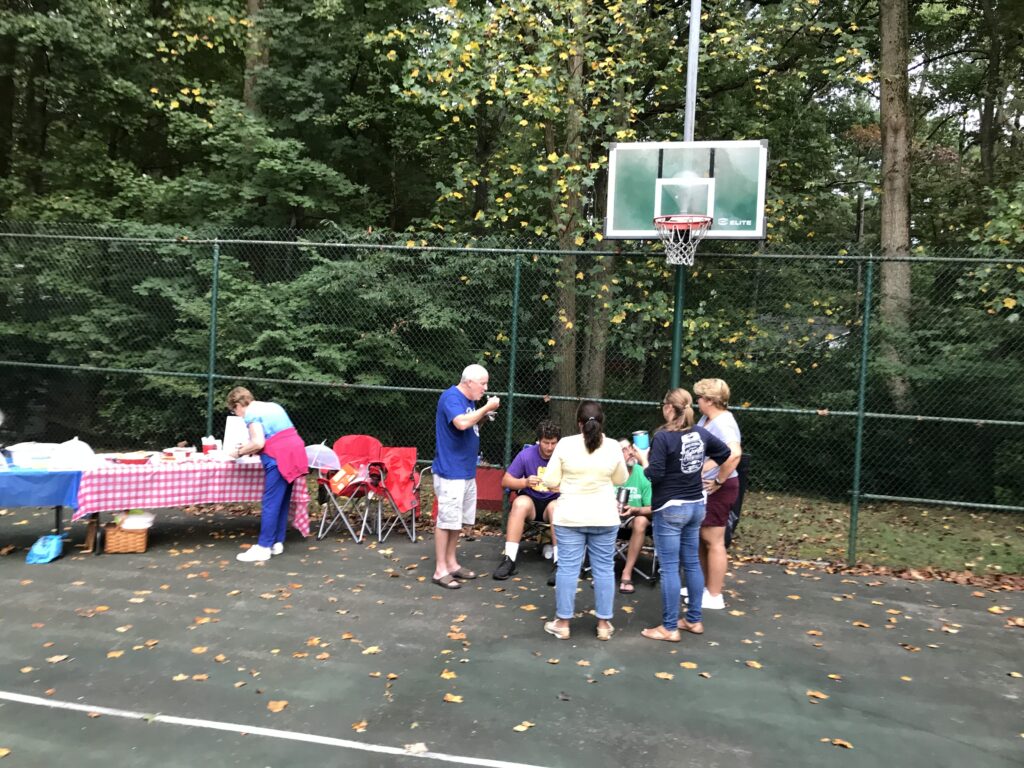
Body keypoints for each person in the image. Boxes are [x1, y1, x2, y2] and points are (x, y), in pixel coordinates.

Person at [639, 388, 736, 641]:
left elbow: (654, 474)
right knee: (691, 562)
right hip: (695, 506)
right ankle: (693, 620)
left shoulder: (662, 437)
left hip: (670, 508)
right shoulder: (700, 432)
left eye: (664, 404)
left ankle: (669, 627)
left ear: (669, 408)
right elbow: (725, 453)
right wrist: (704, 472)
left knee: (670, 568)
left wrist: (642, 460)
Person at [541, 401, 628, 641]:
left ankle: (563, 623)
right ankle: (603, 624)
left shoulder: (565, 445)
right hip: (604, 516)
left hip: (570, 516)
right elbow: (622, 478)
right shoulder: (612, 446)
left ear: (579, 423)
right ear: (601, 422)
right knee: (604, 569)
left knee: (568, 568)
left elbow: (549, 480)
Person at [432, 364, 500, 589]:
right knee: (445, 520)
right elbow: (461, 423)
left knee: (456, 521)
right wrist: (486, 407)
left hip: (466, 470)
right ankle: (440, 569)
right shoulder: (451, 397)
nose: (485, 388)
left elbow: (469, 425)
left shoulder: (469, 400)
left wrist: (483, 416)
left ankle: (451, 563)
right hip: (451, 471)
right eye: (483, 383)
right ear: (469, 382)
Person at [226, 387, 308, 563]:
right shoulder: (273, 406)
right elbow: (273, 436)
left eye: (234, 410)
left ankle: (263, 547)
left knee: (270, 502)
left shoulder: (251, 414)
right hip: (295, 452)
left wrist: (238, 451)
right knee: (282, 500)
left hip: (279, 457)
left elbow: (258, 442)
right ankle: (277, 542)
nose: (237, 415)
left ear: (239, 404)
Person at [694, 378, 743, 610]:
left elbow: (733, 454)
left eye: (700, 398)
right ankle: (705, 586)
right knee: (703, 538)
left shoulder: (724, 423)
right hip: (705, 487)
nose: (697, 402)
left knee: (714, 541)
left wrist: (718, 480)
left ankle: (714, 595)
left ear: (710, 401)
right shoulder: (707, 418)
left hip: (720, 488)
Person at [493, 420, 562, 584]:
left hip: (552, 503)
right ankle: (509, 559)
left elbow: (576, 486)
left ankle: (560, 564)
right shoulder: (526, 455)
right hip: (531, 501)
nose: (550, 447)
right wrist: (524, 482)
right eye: (546, 442)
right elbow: (506, 481)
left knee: (556, 508)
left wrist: (561, 488)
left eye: (554, 443)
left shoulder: (563, 457)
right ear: (539, 440)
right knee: (519, 503)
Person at [616, 438, 653, 594]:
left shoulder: (643, 473)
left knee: (641, 521)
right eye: (624, 450)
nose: (630, 452)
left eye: (630, 447)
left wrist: (635, 510)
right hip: (611, 517)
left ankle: (627, 571)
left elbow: (654, 508)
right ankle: (602, 572)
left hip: (635, 516)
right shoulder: (610, 473)